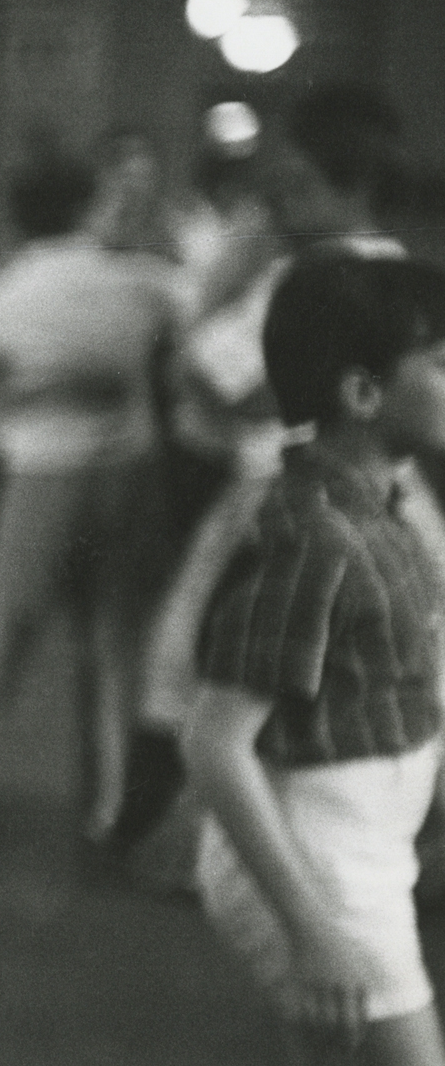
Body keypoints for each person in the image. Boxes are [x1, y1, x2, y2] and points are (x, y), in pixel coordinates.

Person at [129, 82, 419, 864]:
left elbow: (233, 386)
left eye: (297, 188)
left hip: (282, 489)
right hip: (344, 493)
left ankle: (201, 840)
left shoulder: (316, 275)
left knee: (213, 659)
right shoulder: (395, 273)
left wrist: (215, 295)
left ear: (349, 184)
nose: (281, 207)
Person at [182, 252, 445, 1066]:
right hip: (323, 871)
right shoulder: (314, 537)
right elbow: (214, 742)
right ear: (363, 394)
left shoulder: (383, 508)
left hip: (356, 852)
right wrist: (313, 931)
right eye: (439, 362)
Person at [0, 148, 180, 843]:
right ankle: (114, 802)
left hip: (37, 469)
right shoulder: (143, 283)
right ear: (87, 207)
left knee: (2, 631)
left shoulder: (3, 292)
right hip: (124, 471)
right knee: (113, 638)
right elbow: (194, 321)